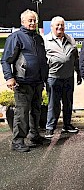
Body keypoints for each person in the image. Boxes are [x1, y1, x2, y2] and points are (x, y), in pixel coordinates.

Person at [1, 9, 48, 152]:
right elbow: (5, 60)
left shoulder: (38, 38)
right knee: (21, 113)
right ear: (23, 22)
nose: (33, 22)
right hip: (22, 82)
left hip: (37, 82)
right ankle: (18, 141)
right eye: (30, 20)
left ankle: (34, 135)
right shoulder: (16, 37)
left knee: (36, 111)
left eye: (34, 20)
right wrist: (9, 77)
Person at [43, 16, 82, 139]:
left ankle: (67, 124)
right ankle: (50, 128)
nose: (60, 27)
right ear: (52, 27)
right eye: (57, 25)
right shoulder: (45, 40)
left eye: (62, 25)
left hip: (68, 77)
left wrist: (78, 73)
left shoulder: (70, 39)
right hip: (53, 77)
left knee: (68, 103)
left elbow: (76, 58)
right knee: (53, 104)